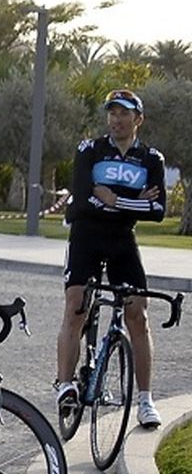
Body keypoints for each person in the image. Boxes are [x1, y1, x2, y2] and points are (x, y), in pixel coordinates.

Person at [55, 88, 167, 427]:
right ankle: (65, 384)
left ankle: (146, 400)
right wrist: (134, 201)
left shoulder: (151, 159)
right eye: (112, 113)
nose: (117, 119)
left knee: (138, 315)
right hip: (86, 236)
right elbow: (82, 200)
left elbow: (159, 210)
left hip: (122, 239)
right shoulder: (90, 149)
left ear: (138, 119)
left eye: (124, 113)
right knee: (76, 305)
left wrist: (115, 201)